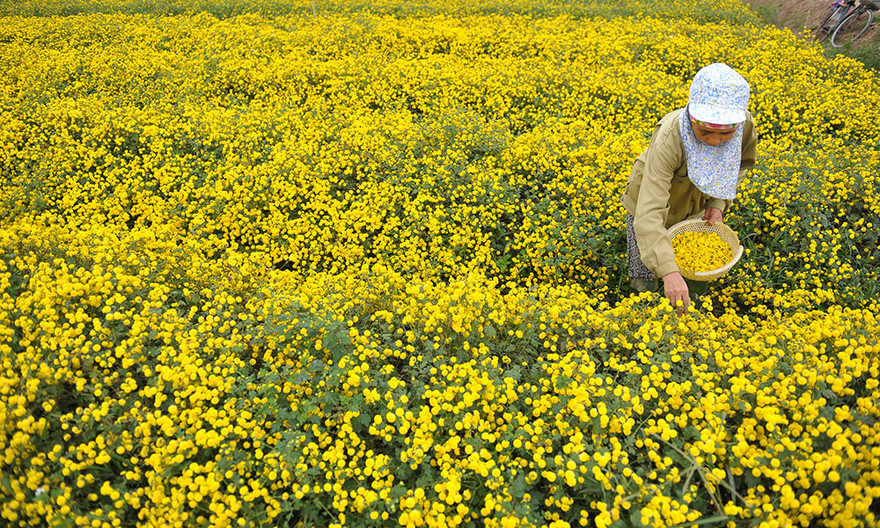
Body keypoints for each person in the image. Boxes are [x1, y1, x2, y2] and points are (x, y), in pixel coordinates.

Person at [621, 63, 757, 313]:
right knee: (646, 267)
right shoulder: (669, 138)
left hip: (695, 206)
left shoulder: (744, 125)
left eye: (726, 134)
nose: (715, 141)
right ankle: (641, 309)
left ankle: (688, 310)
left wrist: (717, 204)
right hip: (648, 201)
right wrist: (668, 271)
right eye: (704, 132)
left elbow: (739, 166)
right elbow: (649, 213)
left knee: (692, 262)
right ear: (692, 117)